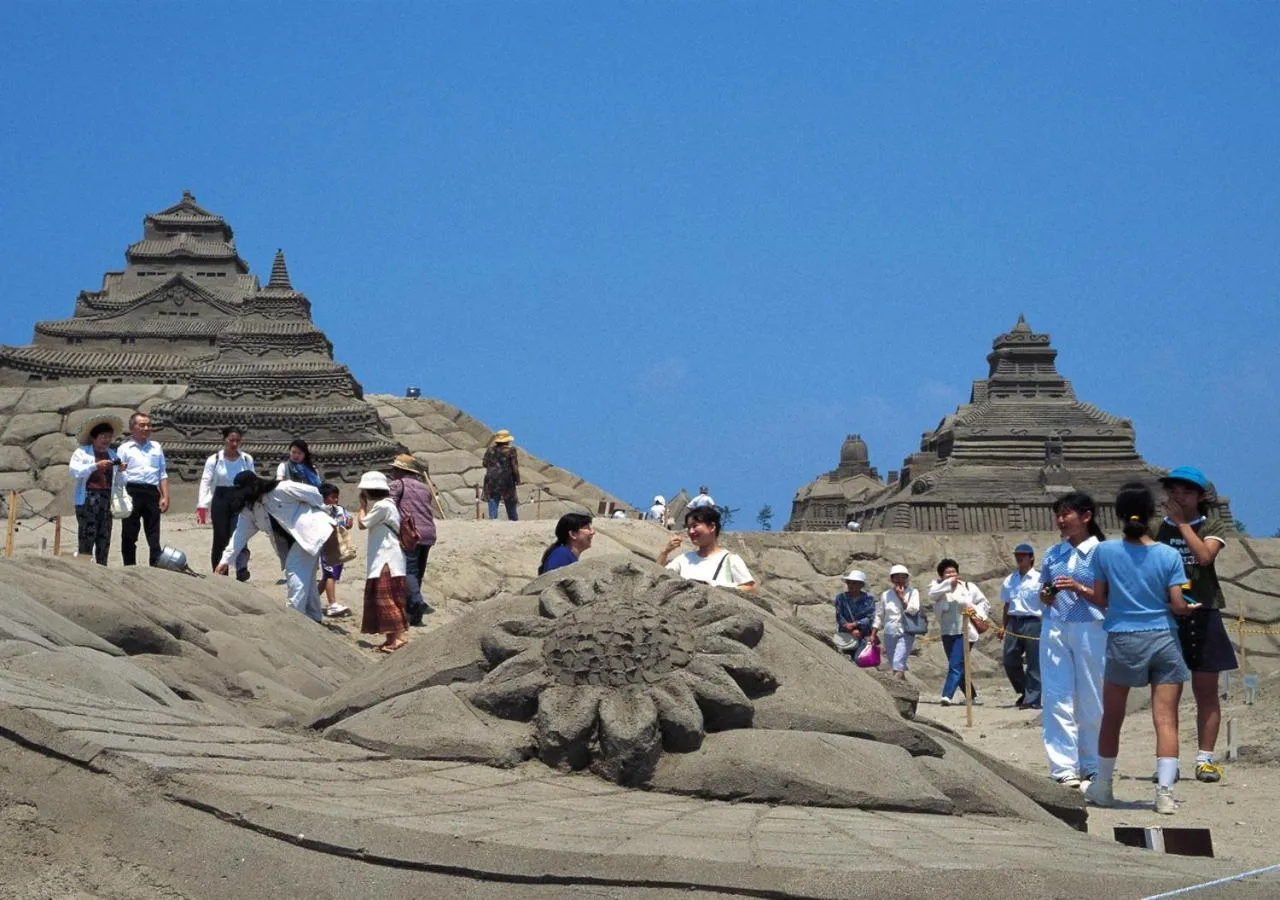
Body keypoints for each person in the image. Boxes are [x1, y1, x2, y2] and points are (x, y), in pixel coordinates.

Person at [1083, 483, 1193, 815]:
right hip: (1163, 636)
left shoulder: (1104, 552)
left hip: (1123, 637)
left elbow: (1100, 599)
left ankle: (1103, 785)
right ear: (1151, 514)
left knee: (1112, 718)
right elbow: (1177, 603)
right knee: (1166, 721)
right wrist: (1189, 608)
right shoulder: (1169, 555)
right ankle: (1164, 794)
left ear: (1118, 515)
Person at [1154, 466, 1236, 784]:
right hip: (1167, 614)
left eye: (1186, 491)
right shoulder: (1156, 527)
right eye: (1174, 490)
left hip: (1205, 611)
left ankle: (1204, 759)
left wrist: (1183, 525)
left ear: (1200, 496)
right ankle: (1168, 760)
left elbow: (1204, 556)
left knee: (1206, 691)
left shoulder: (1211, 524)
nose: (1178, 496)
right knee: (1167, 693)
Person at [1038, 492, 1106, 788]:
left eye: (1066, 514)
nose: (1061, 520)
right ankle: (1064, 767)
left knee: (1092, 697)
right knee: (1056, 696)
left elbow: (1108, 597)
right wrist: (1048, 594)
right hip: (1055, 625)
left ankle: (1092, 764)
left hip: (1091, 626)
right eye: (1058, 514)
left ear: (1086, 516)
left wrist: (1079, 587)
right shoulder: (1053, 554)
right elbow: (1042, 592)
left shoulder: (1102, 553)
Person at [215, 471, 334, 623]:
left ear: (255, 486)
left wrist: (321, 509)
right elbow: (239, 536)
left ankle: (294, 618)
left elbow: (313, 493)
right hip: (289, 543)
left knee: (294, 571)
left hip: (309, 533)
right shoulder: (250, 510)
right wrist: (224, 562)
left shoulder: (282, 489)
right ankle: (314, 617)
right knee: (307, 578)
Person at [356, 471, 408, 653]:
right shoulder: (389, 505)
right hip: (391, 559)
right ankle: (394, 639)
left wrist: (362, 506)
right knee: (393, 598)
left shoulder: (382, 507)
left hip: (385, 559)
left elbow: (362, 524)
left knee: (385, 599)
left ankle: (395, 640)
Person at [928, 559, 991, 706]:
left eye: (953, 572)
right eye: (947, 572)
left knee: (955, 665)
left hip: (966, 632)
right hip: (947, 632)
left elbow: (984, 602)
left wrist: (973, 610)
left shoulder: (968, 587)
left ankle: (946, 695)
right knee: (957, 664)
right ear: (941, 575)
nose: (951, 575)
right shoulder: (937, 587)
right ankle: (972, 696)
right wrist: (948, 585)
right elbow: (932, 595)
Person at [197, 426, 255, 580]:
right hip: (221, 498)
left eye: (237, 440)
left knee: (238, 534)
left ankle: (241, 568)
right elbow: (205, 481)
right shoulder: (214, 460)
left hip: (239, 498)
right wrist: (202, 505)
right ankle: (220, 574)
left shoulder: (246, 459)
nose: (234, 444)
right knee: (220, 537)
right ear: (224, 440)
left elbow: (252, 481)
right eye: (231, 440)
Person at [656, 506, 757, 592]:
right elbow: (658, 577)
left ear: (712, 526)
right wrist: (665, 552)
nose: (691, 531)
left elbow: (751, 588)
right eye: (688, 527)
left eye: (695, 526)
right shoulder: (684, 558)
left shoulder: (730, 559)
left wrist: (717, 589)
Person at [387, 454, 436, 626]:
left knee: (409, 569)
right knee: (418, 572)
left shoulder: (397, 485)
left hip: (411, 533)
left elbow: (389, 506)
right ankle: (414, 612)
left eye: (395, 468)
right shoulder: (424, 487)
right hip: (429, 532)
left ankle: (417, 601)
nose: (392, 471)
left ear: (401, 470)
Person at [68, 414, 123, 566]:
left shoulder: (112, 454)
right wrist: (95, 466)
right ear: (94, 438)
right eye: (103, 436)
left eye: (109, 437)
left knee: (104, 536)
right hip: (88, 497)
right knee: (87, 534)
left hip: (106, 498)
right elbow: (75, 471)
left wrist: (121, 470)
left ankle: (102, 566)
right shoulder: (82, 452)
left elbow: (118, 481)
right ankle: (84, 566)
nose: (106, 440)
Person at [116, 412, 169, 567]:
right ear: (133, 428)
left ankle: (155, 564)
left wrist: (165, 496)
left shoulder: (156, 447)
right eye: (142, 425)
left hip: (152, 491)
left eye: (148, 425)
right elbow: (118, 474)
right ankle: (129, 565)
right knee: (129, 532)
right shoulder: (124, 449)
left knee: (153, 532)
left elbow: (162, 473)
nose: (146, 428)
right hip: (132, 490)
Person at [1000, 542, 1044, 709]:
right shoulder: (1010, 579)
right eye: (1017, 555)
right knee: (1009, 660)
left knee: (1034, 662)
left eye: (1023, 555)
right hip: (1014, 622)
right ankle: (1025, 691)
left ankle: (1033, 699)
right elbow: (1006, 604)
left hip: (1033, 621)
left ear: (1031, 557)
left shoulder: (1040, 579)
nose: (1019, 558)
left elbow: (1046, 603)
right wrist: (1003, 626)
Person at [873, 564, 922, 679]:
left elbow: (914, 610)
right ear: (892, 579)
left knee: (898, 661)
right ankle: (904, 687)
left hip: (906, 631)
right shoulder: (886, 595)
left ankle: (896, 688)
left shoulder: (913, 592)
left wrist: (902, 598)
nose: (900, 580)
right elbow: (880, 614)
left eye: (902, 577)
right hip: (889, 631)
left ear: (906, 578)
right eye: (896, 577)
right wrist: (873, 633)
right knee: (893, 662)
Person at [318, 483, 352, 618]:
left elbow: (347, 523)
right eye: (333, 497)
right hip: (327, 546)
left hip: (339, 546)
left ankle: (311, 599)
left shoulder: (340, 509)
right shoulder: (320, 510)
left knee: (328, 576)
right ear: (324, 498)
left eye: (337, 497)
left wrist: (349, 523)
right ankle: (332, 604)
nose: (336, 500)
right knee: (330, 575)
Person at [832, 569, 877, 662]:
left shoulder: (869, 599)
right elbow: (839, 615)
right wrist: (849, 627)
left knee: (859, 660)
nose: (851, 585)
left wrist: (856, 625)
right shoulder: (841, 598)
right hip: (845, 635)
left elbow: (870, 617)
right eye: (850, 583)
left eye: (855, 583)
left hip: (863, 635)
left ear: (861, 585)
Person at [482, 429, 520, 520]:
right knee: (510, 501)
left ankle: (493, 519)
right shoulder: (511, 450)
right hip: (506, 479)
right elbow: (514, 466)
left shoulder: (490, 449)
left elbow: (484, 463)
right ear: (507, 440)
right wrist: (517, 479)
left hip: (491, 479)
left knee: (493, 499)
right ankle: (513, 520)